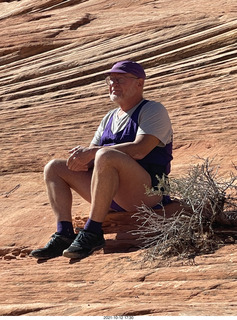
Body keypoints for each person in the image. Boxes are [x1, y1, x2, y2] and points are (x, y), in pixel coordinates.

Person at [30, 60, 173, 260]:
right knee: (54, 167)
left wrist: (93, 153)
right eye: (110, 79)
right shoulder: (109, 118)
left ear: (139, 83)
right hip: (112, 193)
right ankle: (64, 233)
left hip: (149, 192)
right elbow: (91, 160)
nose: (113, 84)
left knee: (104, 155)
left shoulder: (153, 110)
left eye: (120, 79)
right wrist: (80, 158)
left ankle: (93, 231)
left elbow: (140, 150)